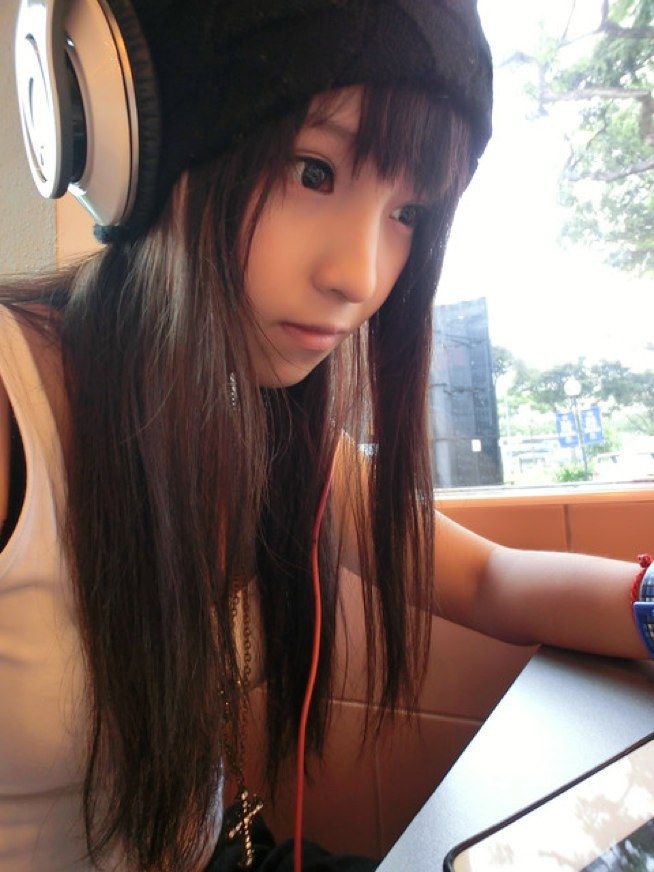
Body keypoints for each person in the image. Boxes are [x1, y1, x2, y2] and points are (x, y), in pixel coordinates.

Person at [2, 0, 652, 870]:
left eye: (409, 212)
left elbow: (489, 580)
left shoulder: (258, 421)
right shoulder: (13, 404)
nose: (363, 276)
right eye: (313, 171)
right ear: (137, 143)